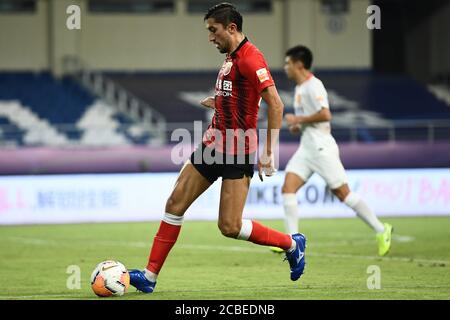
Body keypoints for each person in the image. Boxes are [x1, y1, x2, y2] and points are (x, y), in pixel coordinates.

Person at [128, 3, 306, 293]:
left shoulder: (250, 57)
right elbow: (239, 94)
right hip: (213, 143)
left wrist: (269, 152)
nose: (210, 37)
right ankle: (149, 277)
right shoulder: (230, 58)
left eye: (214, 30)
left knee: (230, 226)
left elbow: (276, 103)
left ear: (231, 28)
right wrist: (220, 101)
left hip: (238, 150)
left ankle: (291, 244)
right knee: (175, 203)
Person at [272, 45, 393, 257]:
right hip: (307, 149)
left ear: (299, 64)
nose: (285, 67)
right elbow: (312, 120)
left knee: (343, 193)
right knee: (288, 188)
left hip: (322, 149)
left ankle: (382, 230)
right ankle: (292, 242)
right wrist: (298, 126)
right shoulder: (300, 88)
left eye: (288, 63)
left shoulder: (313, 86)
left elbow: (326, 115)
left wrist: (299, 119)